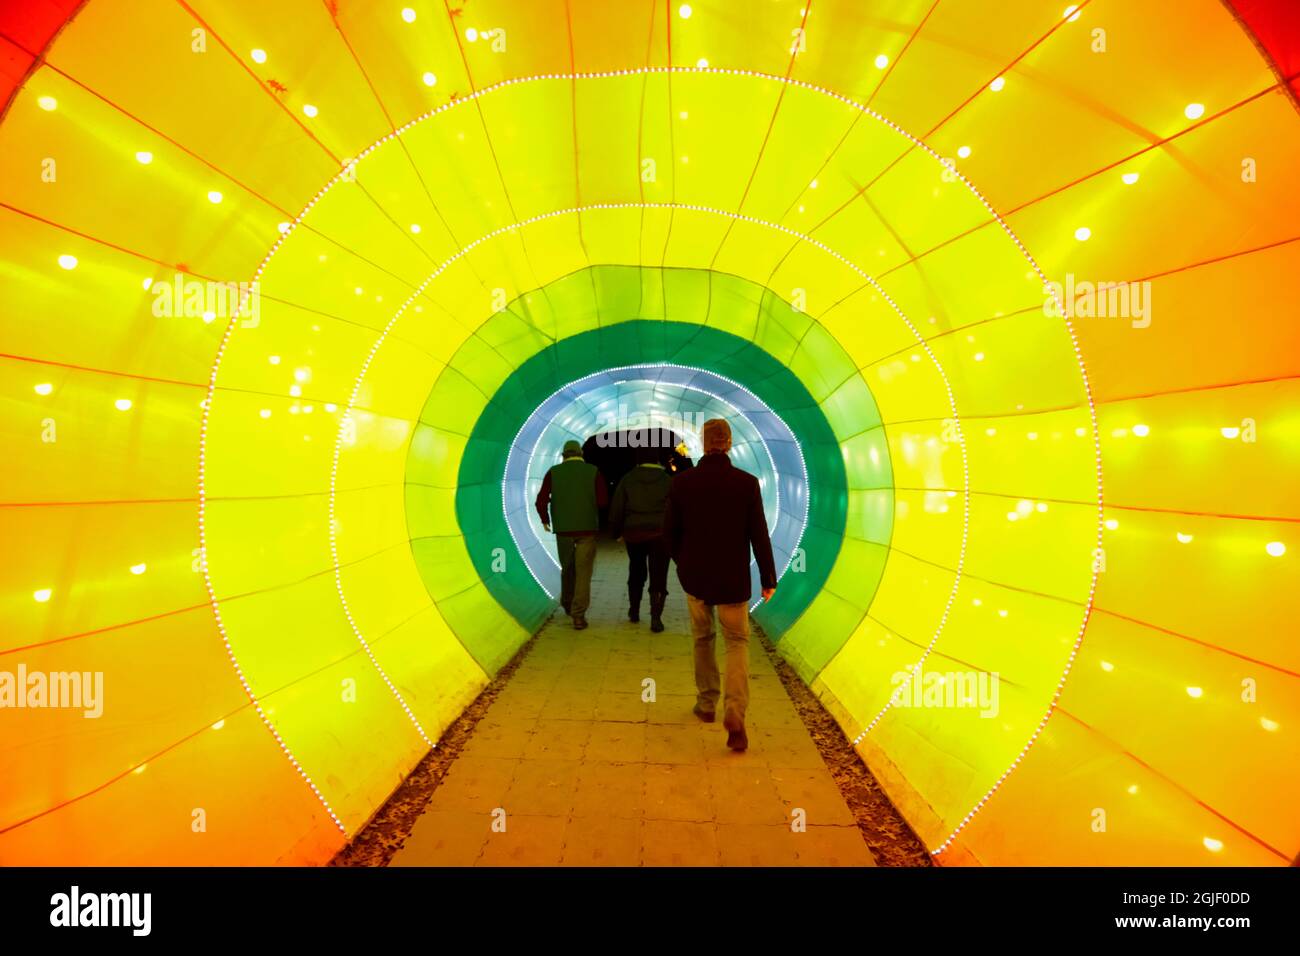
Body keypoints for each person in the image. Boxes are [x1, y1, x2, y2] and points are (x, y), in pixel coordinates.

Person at [663, 418, 777, 752]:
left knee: (702, 638)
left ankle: (706, 703)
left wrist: (683, 562)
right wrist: (768, 579)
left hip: (696, 578)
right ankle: (735, 710)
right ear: (728, 444)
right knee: (737, 642)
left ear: (704, 442)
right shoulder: (746, 483)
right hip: (733, 580)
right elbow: (759, 533)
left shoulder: (683, 483)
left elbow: (668, 533)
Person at [535, 439, 608, 630]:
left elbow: (541, 500)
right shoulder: (594, 472)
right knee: (583, 573)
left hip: (564, 530)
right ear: (581, 454)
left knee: (567, 568)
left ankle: (567, 603)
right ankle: (578, 616)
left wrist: (545, 519)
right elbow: (602, 501)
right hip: (587, 529)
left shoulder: (553, 473)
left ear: (563, 455)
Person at [608, 445, 672, 632]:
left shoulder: (628, 479)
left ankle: (634, 610)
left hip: (634, 533)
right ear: (657, 460)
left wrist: (616, 532)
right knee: (659, 574)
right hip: (660, 534)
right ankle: (656, 618)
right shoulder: (667, 480)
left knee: (636, 570)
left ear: (638, 460)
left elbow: (617, 506)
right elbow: (674, 508)